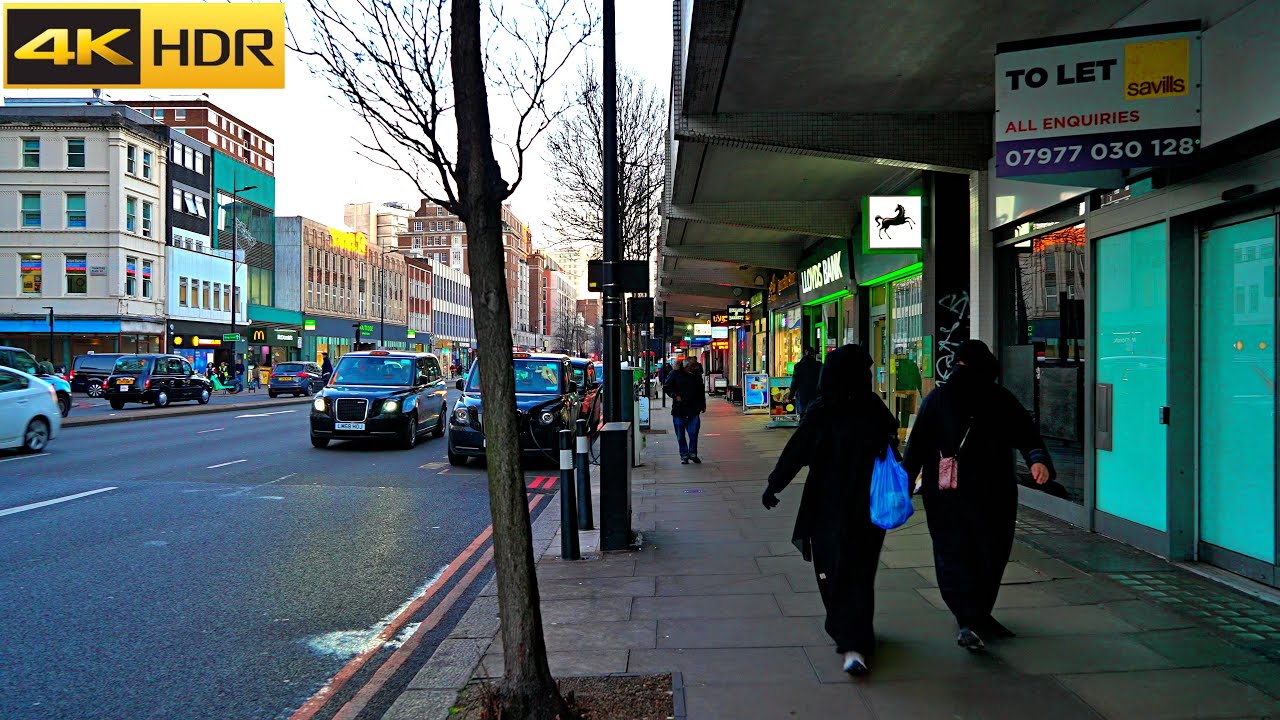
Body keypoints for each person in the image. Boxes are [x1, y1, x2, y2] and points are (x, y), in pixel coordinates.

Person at [902, 339, 1054, 651]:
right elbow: (1027, 433)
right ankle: (970, 618)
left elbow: (915, 448)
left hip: (951, 492)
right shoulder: (996, 398)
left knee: (958, 554)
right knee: (984, 554)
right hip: (988, 493)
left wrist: (903, 486)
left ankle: (975, 616)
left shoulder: (942, 399)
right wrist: (1036, 459)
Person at [761, 345, 898, 676]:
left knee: (834, 571)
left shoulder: (823, 410)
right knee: (860, 572)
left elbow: (797, 451)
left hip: (828, 505)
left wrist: (775, 484)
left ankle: (850, 640)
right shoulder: (873, 408)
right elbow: (891, 446)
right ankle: (857, 637)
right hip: (867, 506)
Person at [664, 358, 706, 464]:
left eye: (694, 367)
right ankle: (684, 455)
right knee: (680, 434)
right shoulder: (675, 374)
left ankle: (692, 453)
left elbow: (701, 390)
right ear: (686, 366)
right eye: (691, 367)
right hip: (679, 409)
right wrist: (675, 395)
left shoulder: (696, 375)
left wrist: (702, 405)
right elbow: (667, 387)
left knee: (693, 433)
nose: (693, 369)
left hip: (693, 408)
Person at [791, 347, 822, 418]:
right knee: (814, 413)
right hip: (815, 393)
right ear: (813, 355)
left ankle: (804, 423)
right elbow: (822, 380)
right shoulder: (819, 365)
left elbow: (795, 381)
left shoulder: (798, 366)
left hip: (802, 393)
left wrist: (791, 393)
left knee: (803, 413)